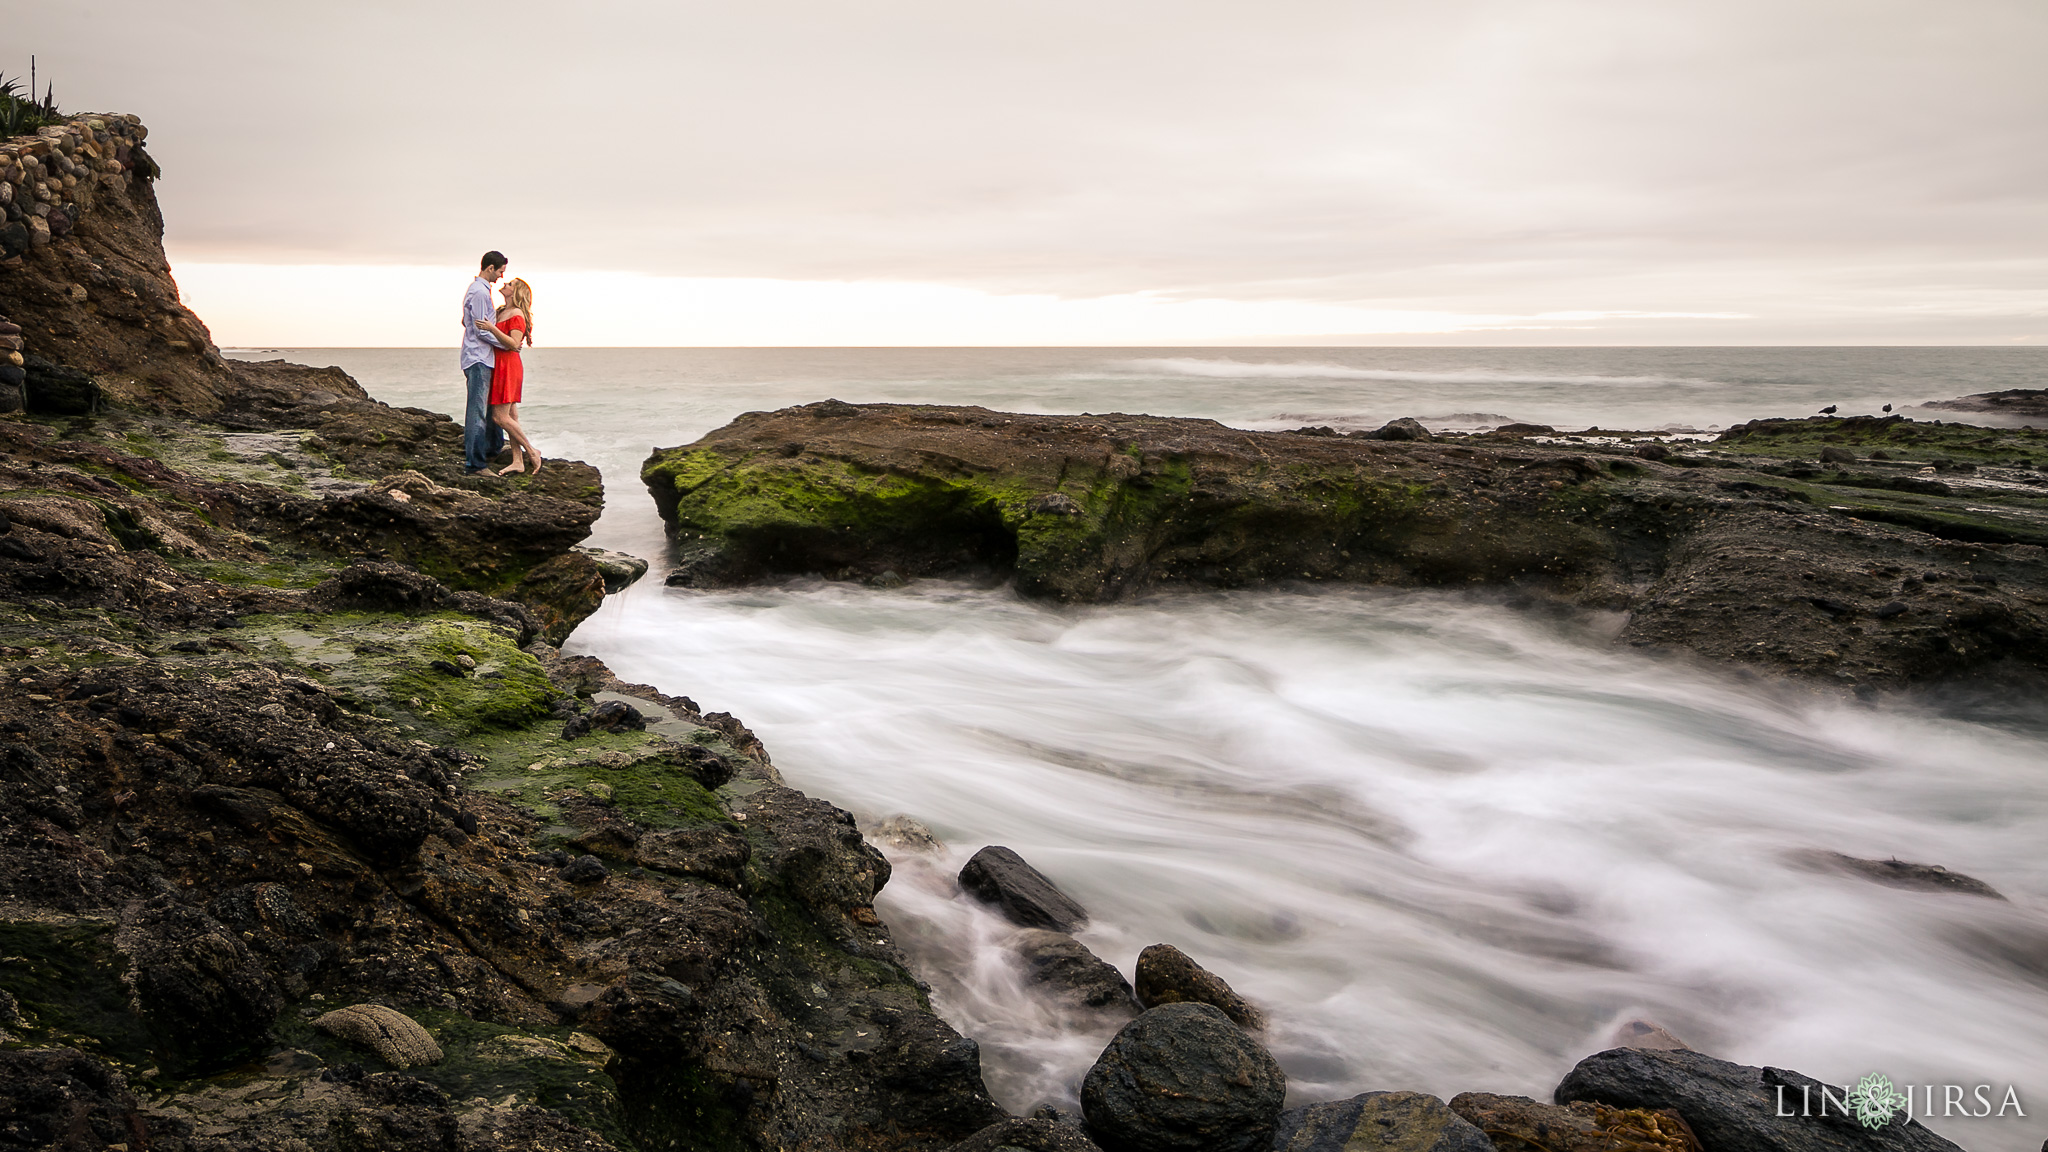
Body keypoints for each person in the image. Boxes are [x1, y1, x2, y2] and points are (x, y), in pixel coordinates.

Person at [475, 277, 541, 475]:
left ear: (516, 291)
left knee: (500, 417)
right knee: (511, 415)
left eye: (510, 284)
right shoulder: (501, 311)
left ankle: (532, 451)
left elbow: (514, 344)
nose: (505, 285)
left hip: (508, 367)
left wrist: (492, 328)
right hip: (497, 364)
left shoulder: (517, 314)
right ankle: (517, 461)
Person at [460, 251, 510, 473]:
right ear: (490, 268)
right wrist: (506, 344)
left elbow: (466, 321)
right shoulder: (480, 292)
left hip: (479, 356)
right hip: (478, 357)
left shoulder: (477, 291)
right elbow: (482, 330)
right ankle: (475, 464)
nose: (500, 276)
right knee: (478, 411)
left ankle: (491, 450)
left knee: (487, 409)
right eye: (500, 271)